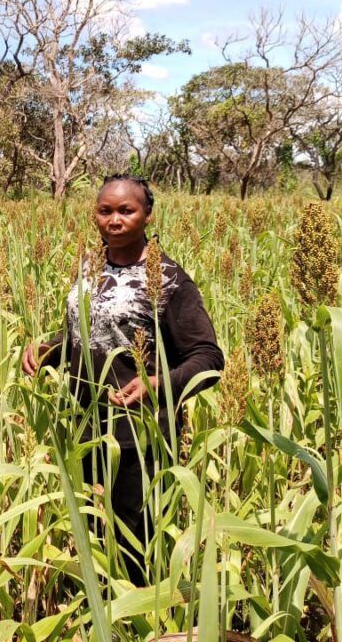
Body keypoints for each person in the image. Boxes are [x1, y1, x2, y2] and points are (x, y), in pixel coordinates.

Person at [22, 174, 223, 586]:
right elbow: (88, 332)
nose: (114, 220)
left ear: (148, 215)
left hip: (139, 437)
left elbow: (208, 358)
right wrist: (50, 348)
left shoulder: (169, 280)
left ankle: (138, 613)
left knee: (135, 545)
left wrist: (157, 384)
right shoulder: (92, 265)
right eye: (105, 211)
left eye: (126, 211)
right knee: (94, 538)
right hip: (85, 428)